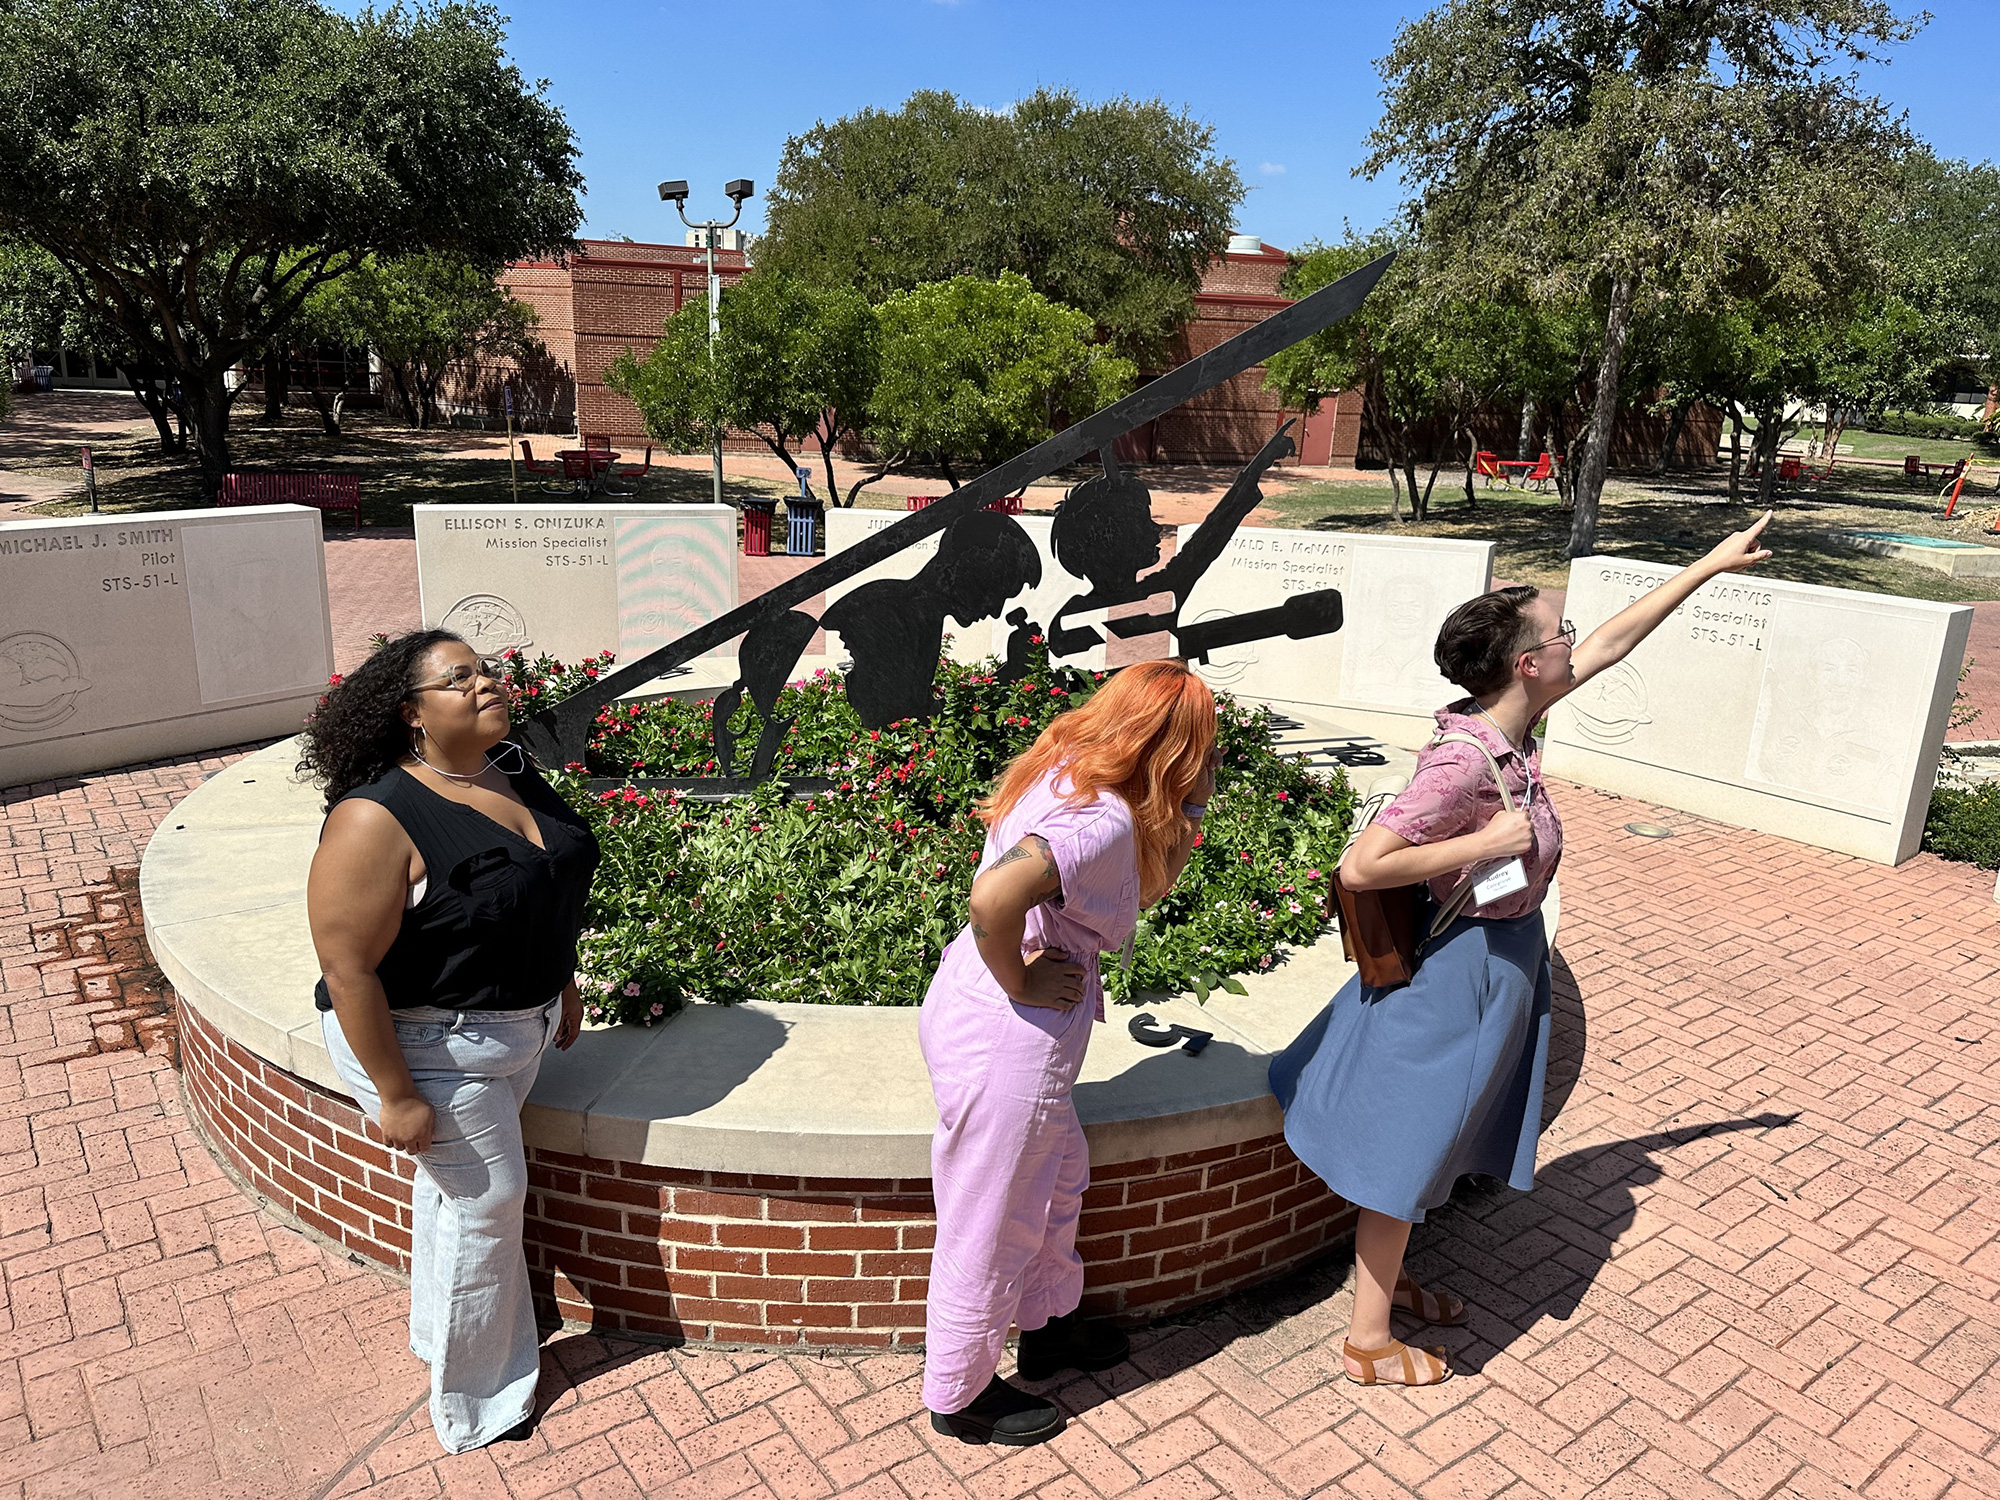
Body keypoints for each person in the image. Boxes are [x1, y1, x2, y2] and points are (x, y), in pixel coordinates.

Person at [1270, 514, 1774, 1387]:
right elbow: (1364, 864)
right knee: (1411, 1146)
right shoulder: (1464, 763)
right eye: (1558, 634)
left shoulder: (1516, 717)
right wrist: (1485, 843)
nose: (1574, 641)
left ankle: (1384, 1290)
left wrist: (1709, 566)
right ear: (1526, 665)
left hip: (1500, 962)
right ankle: (1366, 1340)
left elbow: (1614, 641)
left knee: (1445, 1134)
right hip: (1456, 975)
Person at [299, 630, 600, 1452]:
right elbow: (349, 967)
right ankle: (479, 1401)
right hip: (424, 1042)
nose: (484, 684)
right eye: (457, 678)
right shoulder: (376, 816)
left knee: (454, 1193)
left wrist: (559, 978)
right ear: (413, 715)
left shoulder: (508, 771)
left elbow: (544, 888)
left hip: (513, 1026)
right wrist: (396, 1095)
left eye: (485, 670)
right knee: (487, 1202)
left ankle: (438, 1335)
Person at [920, 659, 1220, 1445]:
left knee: (1057, 1181)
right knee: (991, 1216)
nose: (1214, 763)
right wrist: (1019, 978)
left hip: (996, 1020)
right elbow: (993, 897)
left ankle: (1048, 1325)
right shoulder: (1103, 822)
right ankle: (961, 1393)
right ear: (1173, 748)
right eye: (1205, 749)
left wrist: (1182, 808)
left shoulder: (1073, 767)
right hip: (1006, 1033)